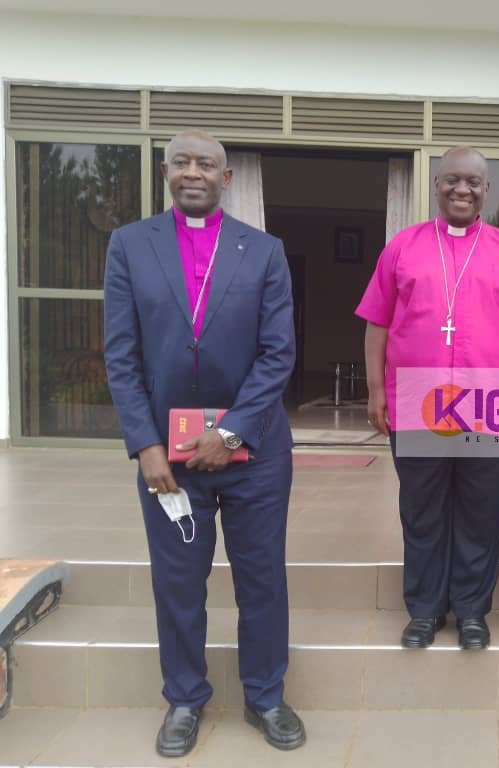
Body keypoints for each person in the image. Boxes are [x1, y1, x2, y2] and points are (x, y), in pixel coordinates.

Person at [104, 130, 304, 756]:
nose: (194, 172)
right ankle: (185, 698)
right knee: (178, 581)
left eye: (207, 164)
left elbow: (279, 354)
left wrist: (230, 430)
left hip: (257, 453)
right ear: (166, 172)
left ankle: (265, 696)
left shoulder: (264, 251)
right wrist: (144, 445)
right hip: (171, 461)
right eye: (182, 162)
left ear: (228, 178)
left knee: (262, 579)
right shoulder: (130, 246)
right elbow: (122, 352)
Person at [356, 146, 499, 651]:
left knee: (480, 510)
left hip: (487, 400)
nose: (463, 189)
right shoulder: (403, 247)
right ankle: (425, 610)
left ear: (486, 190)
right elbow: (378, 322)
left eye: (474, 182)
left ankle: (473, 611)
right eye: (453, 180)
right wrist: (376, 390)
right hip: (416, 398)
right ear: (436, 185)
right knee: (423, 508)